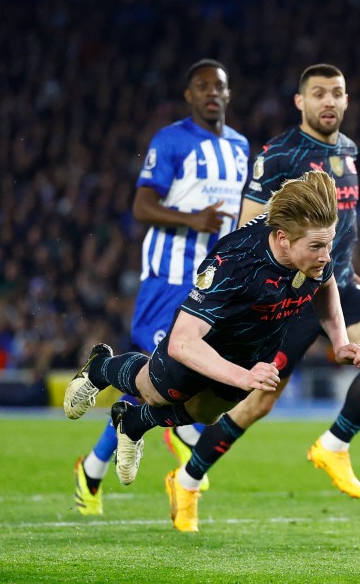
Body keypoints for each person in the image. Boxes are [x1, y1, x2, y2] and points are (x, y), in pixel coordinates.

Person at [163, 63, 360, 526]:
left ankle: (334, 446)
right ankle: (188, 480)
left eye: (336, 93)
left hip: (334, 282)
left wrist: (349, 271)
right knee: (257, 401)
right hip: (285, 292)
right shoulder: (279, 154)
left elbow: (344, 227)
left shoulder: (348, 150)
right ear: (300, 102)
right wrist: (252, 298)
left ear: (346, 101)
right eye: (318, 93)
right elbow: (246, 230)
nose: (328, 101)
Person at [63, 170, 360, 531]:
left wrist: (340, 342)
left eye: (329, 244)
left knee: (206, 414)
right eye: (317, 247)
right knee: (156, 391)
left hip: (252, 349)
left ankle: (132, 422)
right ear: (282, 239)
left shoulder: (313, 249)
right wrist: (243, 375)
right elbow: (182, 341)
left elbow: (327, 283)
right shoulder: (235, 261)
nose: (325, 255)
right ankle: (101, 367)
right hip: (203, 344)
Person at [72, 59, 249, 516]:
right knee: (169, 376)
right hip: (169, 275)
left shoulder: (239, 147)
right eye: (202, 86)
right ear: (189, 95)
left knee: (148, 385)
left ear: (229, 94)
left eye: (219, 86)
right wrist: (192, 220)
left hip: (215, 282)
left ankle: (91, 470)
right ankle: (186, 438)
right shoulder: (171, 140)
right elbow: (142, 205)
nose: (212, 92)